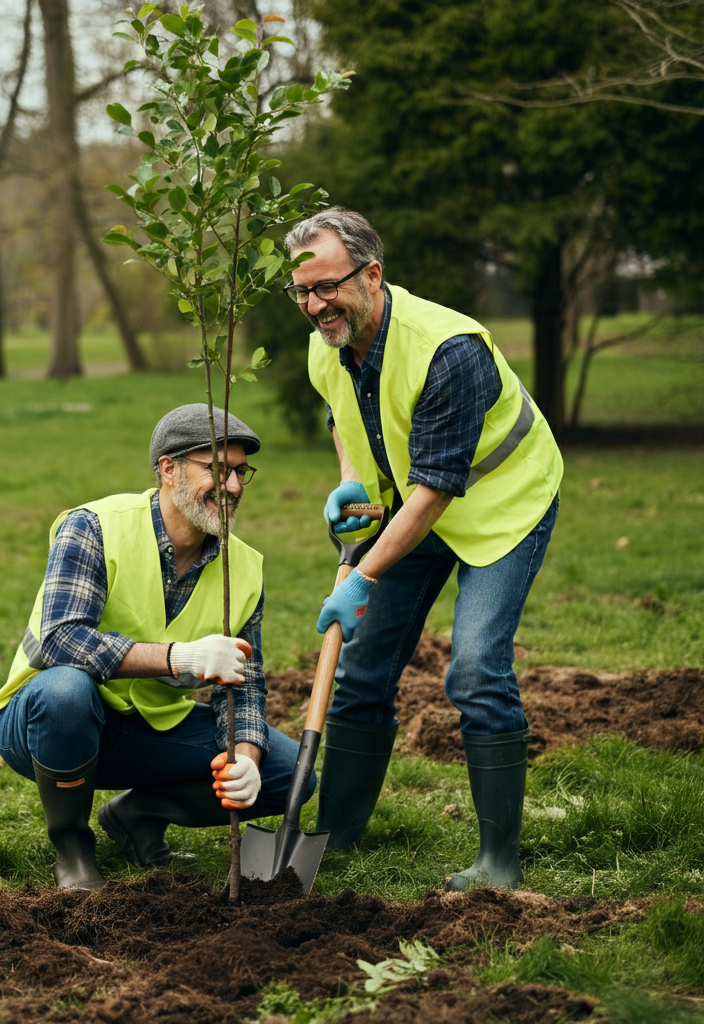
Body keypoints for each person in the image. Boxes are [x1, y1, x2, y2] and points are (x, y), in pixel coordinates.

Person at [283, 208, 562, 891]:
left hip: (502, 504)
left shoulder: (447, 348)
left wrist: (362, 574)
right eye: (303, 292)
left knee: (473, 669)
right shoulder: (329, 343)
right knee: (362, 665)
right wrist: (351, 483)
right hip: (415, 506)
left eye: (328, 287)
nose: (316, 305)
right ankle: (337, 833)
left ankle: (498, 861)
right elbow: (342, 415)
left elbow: (437, 490)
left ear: (371, 275)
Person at [0, 404, 311, 890]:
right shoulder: (94, 526)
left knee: (290, 772)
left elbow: (245, 683)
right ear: (168, 468)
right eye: (218, 470)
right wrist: (180, 657)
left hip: (146, 732)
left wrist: (246, 756)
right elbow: (59, 639)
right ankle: (72, 847)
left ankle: (137, 815)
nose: (236, 487)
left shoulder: (242, 569)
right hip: (46, 725)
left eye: (242, 472)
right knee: (67, 691)